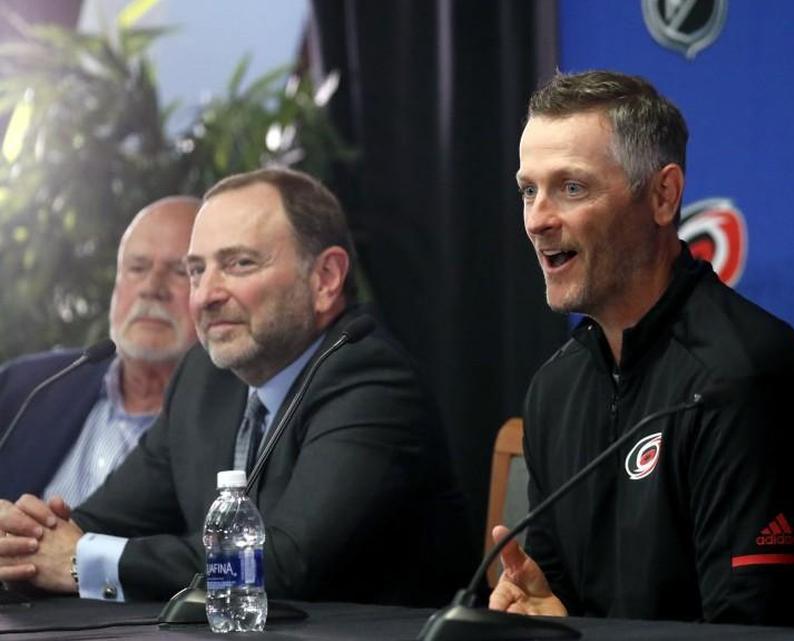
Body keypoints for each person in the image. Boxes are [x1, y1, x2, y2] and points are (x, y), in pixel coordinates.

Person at [0, 168, 474, 605]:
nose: (205, 295)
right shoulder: (205, 378)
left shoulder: (371, 381)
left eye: (240, 264)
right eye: (198, 270)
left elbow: (282, 564)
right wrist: (25, 544)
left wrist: (81, 560)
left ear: (326, 278)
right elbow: (102, 522)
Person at [490, 70, 794, 625]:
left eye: (572, 188)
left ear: (663, 196)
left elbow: (753, 631)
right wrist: (544, 614)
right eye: (528, 190)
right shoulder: (555, 389)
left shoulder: (741, 377)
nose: (538, 219)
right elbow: (560, 598)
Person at [0, 197, 199, 504]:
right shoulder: (25, 385)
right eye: (137, 267)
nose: (152, 287)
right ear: (117, 284)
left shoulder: (240, 417)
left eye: (180, 272)